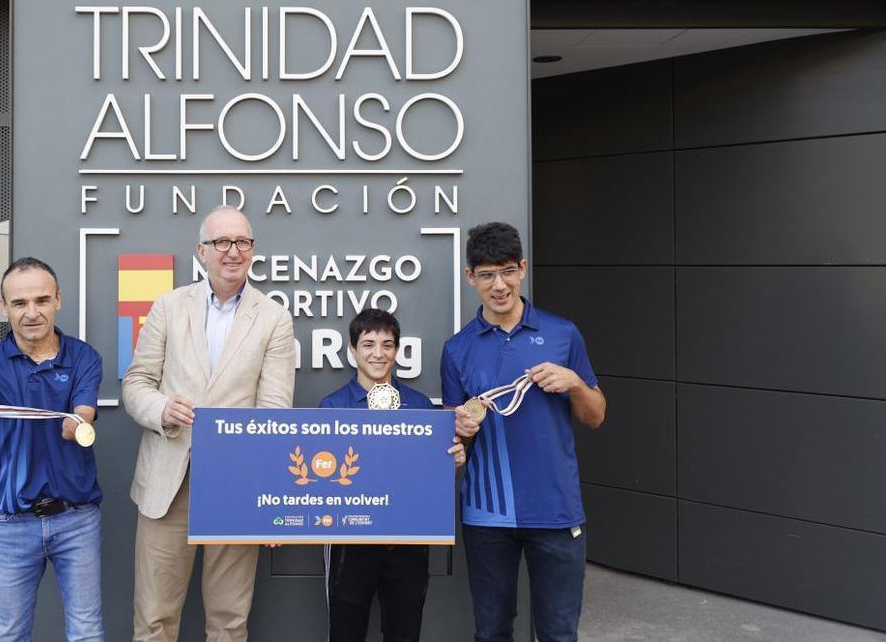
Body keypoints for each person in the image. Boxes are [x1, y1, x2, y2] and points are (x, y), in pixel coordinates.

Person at [123, 206, 296, 642]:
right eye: (222, 242)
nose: (232, 251)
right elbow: (136, 383)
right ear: (201, 251)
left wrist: (270, 499)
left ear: (253, 250)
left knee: (229, 621)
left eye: (242, 242)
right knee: (154, 619)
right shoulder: (167, 306)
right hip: (168, 483)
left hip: (236, 488)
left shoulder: (274, 317)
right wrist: (161, 409)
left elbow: (275, 411)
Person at [442, 222, 606, 642]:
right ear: (469, 277)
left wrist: (573, 382)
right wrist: (460, 430)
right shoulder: (457, 349)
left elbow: (596, 415)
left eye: (508, 271)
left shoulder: (562, 333)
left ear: (523, 269)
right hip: (487, 514)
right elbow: (454, 442)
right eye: (486, 274)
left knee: (557, 634)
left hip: (556, 510)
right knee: (492, 631)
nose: (499, 285)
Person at [0, 257, 105, 642]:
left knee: (87, 632)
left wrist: (78, 422)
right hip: (12, 520)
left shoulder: (83, 358)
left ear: (58, 299)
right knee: (10, 633)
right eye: (19, 303)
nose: (31, 313)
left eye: (41, 300)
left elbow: (83, 410)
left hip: (76, 517)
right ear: (4, 306)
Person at [318, 308, 464, 642]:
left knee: (405, 632)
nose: (378, 353)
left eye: (387, 344)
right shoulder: (333, 407)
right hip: (350, 542)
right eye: (368, 344)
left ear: (397, 351)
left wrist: (450, 461)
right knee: (345, 631)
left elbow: (429, 474)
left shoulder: (420, 406)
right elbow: (325, 476)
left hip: (408, 541)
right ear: (352, 351)